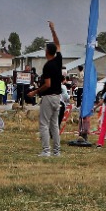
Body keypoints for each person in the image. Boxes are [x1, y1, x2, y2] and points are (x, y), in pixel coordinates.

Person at [36, 22, 64, 157]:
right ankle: (56, 151)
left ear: (47, 52)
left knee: (44, 124)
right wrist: (53, 30)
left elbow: (47, 84)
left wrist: (36, 91)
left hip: (48, 97)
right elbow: (58, 44)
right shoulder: (58, 60)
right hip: (57, 97)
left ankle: (46, 150)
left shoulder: (48, 66)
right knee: (54, 125)